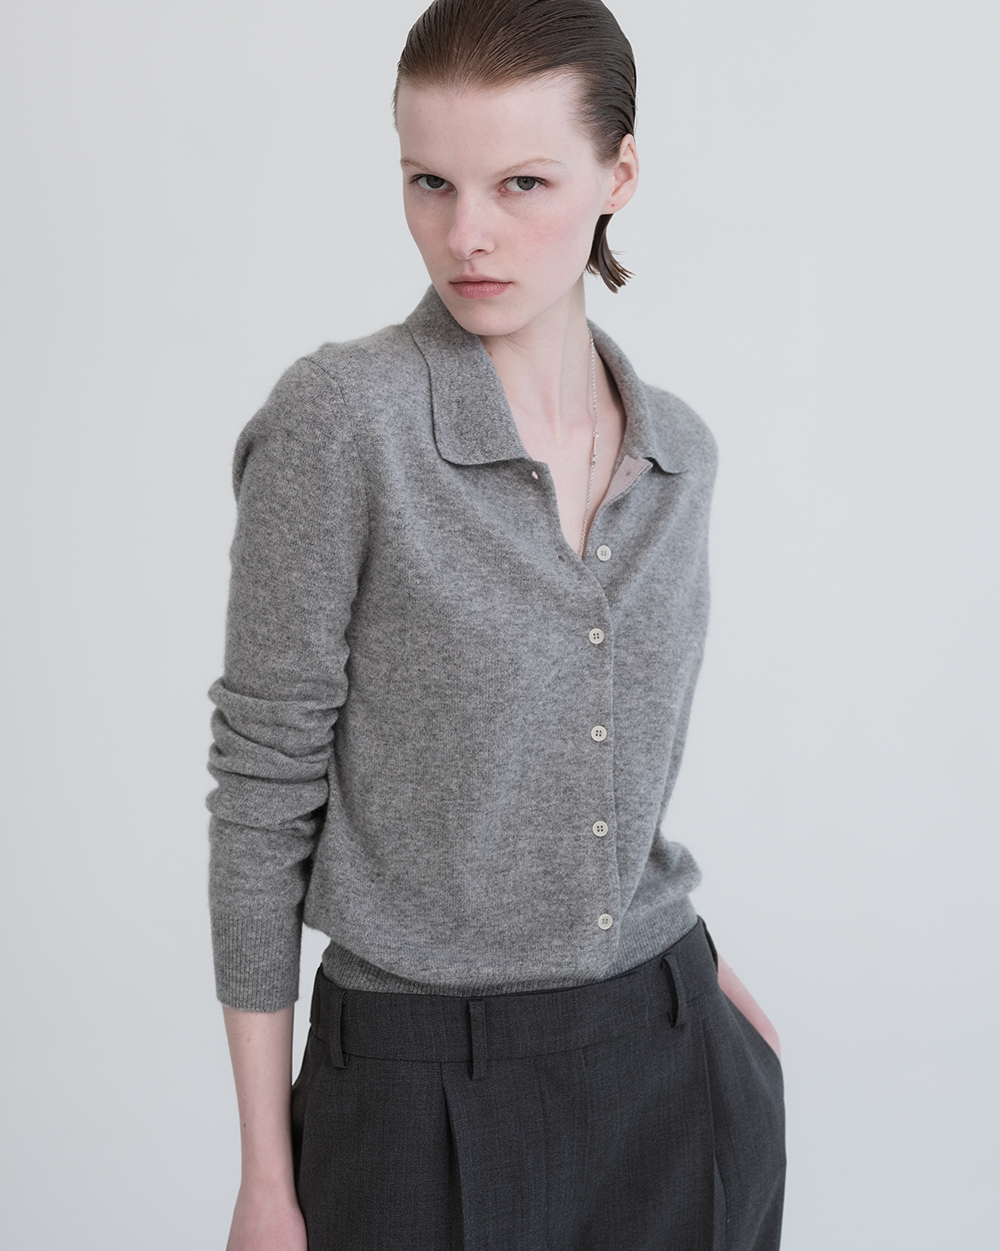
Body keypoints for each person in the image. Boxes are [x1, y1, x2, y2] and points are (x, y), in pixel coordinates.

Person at [206, 1, 786, 1248]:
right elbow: (260, 798)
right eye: (431, 182)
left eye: (522, 183)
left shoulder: (678, 455)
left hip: (673, 1058)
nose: (466, 234)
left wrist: (716, 1001)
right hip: (414, 1088)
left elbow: (613, 779)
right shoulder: (343, 423)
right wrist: (265, 1177)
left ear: (617, 176)